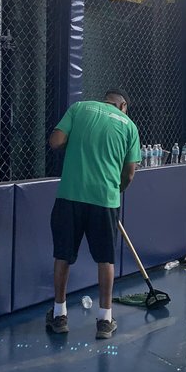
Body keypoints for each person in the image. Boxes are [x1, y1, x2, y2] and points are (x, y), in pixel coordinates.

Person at [45, 89, 142, 339]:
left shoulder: (79, 108)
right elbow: (129, 174)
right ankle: (104, 319)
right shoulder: (129, 126)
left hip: (70, 195)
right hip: (105, 200)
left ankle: (59, 315)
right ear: (122, 106)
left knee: (63, 255)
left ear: (104, 100)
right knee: (105, 259)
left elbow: (55, 142)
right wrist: (114, 190)